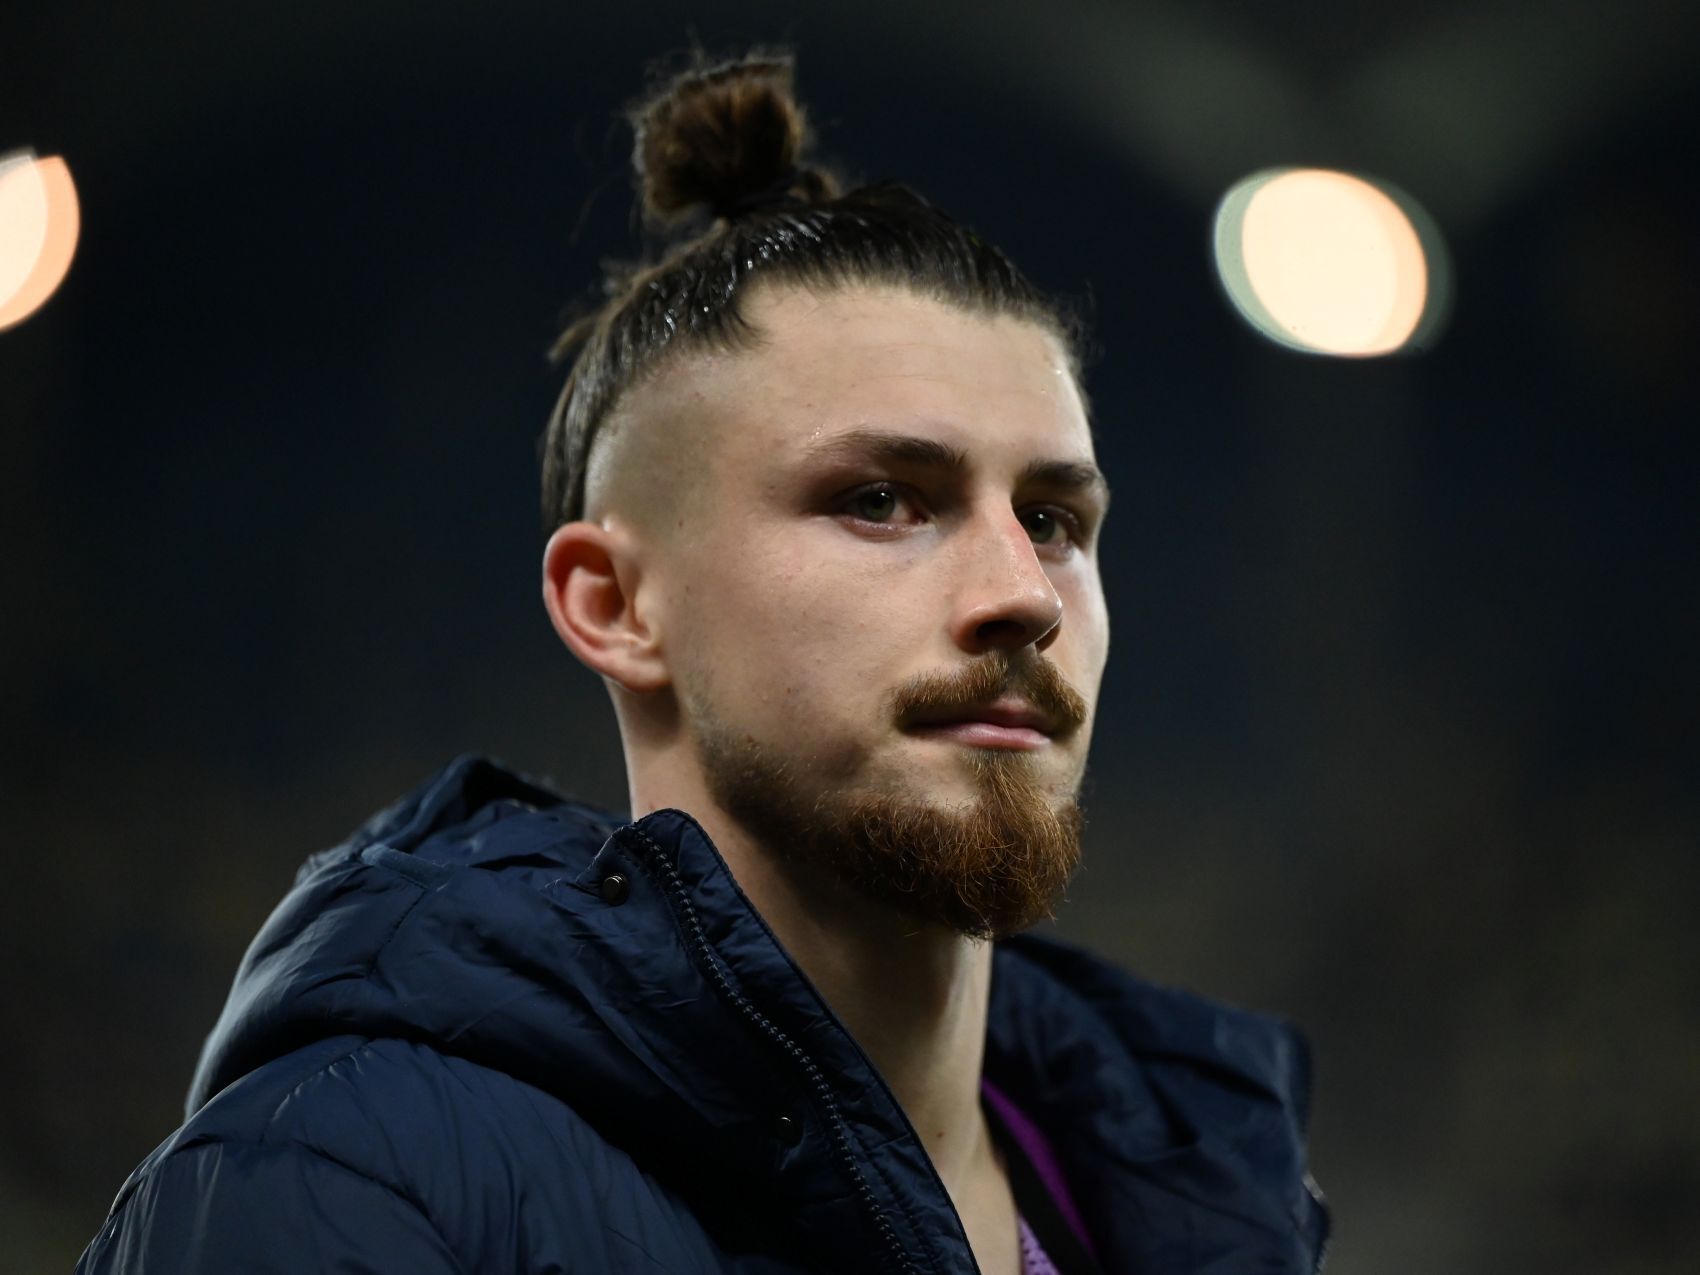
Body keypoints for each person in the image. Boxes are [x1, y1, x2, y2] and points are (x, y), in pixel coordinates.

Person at [79, 51, 1329, 1275]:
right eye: (882, 500)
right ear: (616, 604)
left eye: (1052, 521)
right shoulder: (337, 1185)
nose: (1022, 597)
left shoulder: (1198, 1191)